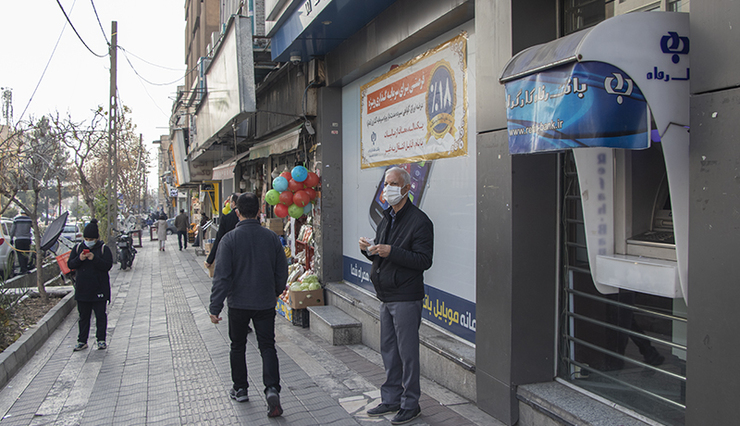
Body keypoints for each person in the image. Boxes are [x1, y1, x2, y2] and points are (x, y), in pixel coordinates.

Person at [360, 166, 433, 425]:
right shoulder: (386, 217)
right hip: (386, 295)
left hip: (406, 296)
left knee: (407, 352)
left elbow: (424, 260)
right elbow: (382, 252)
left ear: (405, 188)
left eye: (392, 183)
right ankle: (391, 397)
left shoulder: (420, 221)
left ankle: (410, 403)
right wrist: (368, 250)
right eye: (385, 183)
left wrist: (391, 251)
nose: (387, 188)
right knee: (389, 350)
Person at [209, 193, 288, 418]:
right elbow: (282, 270)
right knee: (267, 346)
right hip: (264, 302)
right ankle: (272, 389)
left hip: (238, 304)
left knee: (237, 345)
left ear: (237, 212)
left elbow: (222, 277)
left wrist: (215, 307)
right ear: (259, 212)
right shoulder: (271, 238)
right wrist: (275, 291)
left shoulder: (229, 240)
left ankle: (241, 388)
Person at [67, 219, 113, 351]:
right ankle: (82, 341)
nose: (88, 241)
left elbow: (107, 266)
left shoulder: (104, 249)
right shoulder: (78, 249)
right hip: (82, 290)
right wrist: (79, 259)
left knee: (100, 316)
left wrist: (95, 258)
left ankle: (101, 340)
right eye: (86, 238)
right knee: (83, 317)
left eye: (91, 239)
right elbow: (70, 265)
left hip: (99, 289)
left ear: (97, 238)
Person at [204, 194, 239, 268]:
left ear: (233, 203)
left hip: (228, 254)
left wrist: (210, 259)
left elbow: (219, 239)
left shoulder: (226, 218)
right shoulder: (251, 218)